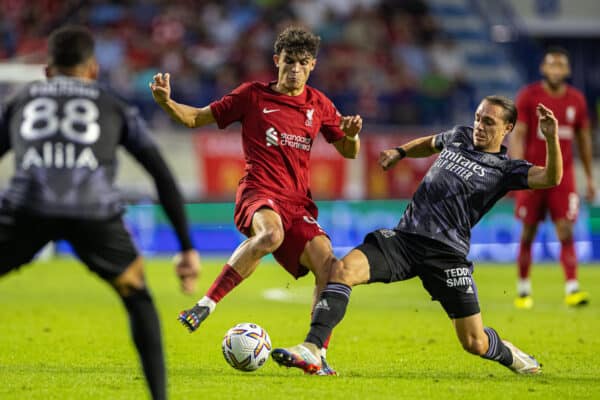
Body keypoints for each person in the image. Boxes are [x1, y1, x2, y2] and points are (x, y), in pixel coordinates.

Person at [272, 96, 562, 375]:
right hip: (405, 239)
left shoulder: (505, 169)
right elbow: (431, 143)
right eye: (477, 118)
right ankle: (313, 349)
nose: (479, 126)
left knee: (475, 343)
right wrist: (401, 152)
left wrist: (550, 138)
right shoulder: (459, 136)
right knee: (341, 270)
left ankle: (514, 357)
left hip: (447, 256)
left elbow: (551, 178)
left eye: (488, 122)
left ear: (507, 128)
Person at [0, 26, 200, 400]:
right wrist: (187, 247)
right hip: (92, 211)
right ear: (92, 69)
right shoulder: (111, 103)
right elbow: (162, 175)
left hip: (27, 206)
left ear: (46, 70)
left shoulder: (21, 99)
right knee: (137, 296)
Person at [149, 26, 362, 375]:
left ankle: (316, 351)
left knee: (331, 269)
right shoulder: (253, 96)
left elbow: (348, 151)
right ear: (277, 61)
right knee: (270, 235)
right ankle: (206, 304)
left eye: (302, 63)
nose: (294, 68)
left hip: (299, 204)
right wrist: (166, 102)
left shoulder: (319, 104)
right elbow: (195, 118)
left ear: (312, 66)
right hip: (259, 191)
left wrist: (352, 136)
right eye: (289, 61)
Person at [510, 47, 595, 309]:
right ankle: (523, 291)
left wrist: (589, 178)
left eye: (561, 66)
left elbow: (583, 140)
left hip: (563, 176)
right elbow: (519, 133)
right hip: (533, 174)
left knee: (566, 230)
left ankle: (572, 289)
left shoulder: (577, 100)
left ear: (566, 71)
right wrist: (515, 171)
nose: (556, 70)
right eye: (551, 65)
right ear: (544, 69)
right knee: (528, 233)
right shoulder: (529, 96)